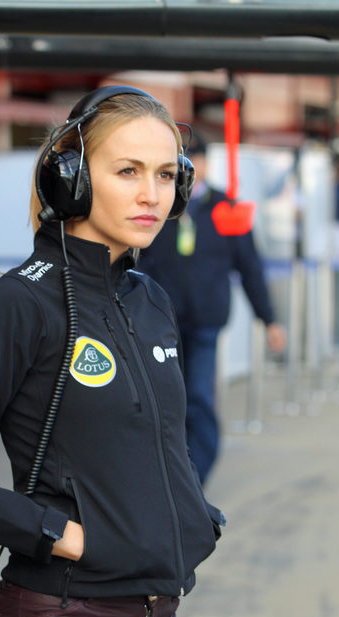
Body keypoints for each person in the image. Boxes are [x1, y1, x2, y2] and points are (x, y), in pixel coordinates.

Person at [0, 86, 225, 617]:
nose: (150, 194)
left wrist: (194, 514)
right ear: (72, 179)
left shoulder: (149, 299)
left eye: (163, 175)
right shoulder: (16, 305)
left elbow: (157, 443)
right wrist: (66, 536)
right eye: (127, 171)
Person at [138, 133, 286, 486]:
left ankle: (194, 478)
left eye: (195, 159)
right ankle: (171, 470)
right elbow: (139, 261)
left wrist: (270, 319)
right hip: (162, 321)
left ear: (206, 163)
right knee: (165, 397)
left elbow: (250, 267)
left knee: (199, 395)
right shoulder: (157, 205)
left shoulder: (227, 208)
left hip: (206, 319)